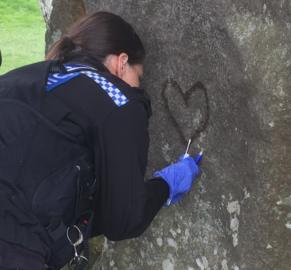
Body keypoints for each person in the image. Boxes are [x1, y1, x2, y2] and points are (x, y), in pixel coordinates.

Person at [0, 11, 201, 270]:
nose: (137, 87)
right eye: (138, 77)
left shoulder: (27, 76)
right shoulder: (119, 101)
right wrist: (165, 186)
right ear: (122, 62)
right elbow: (124, 220)